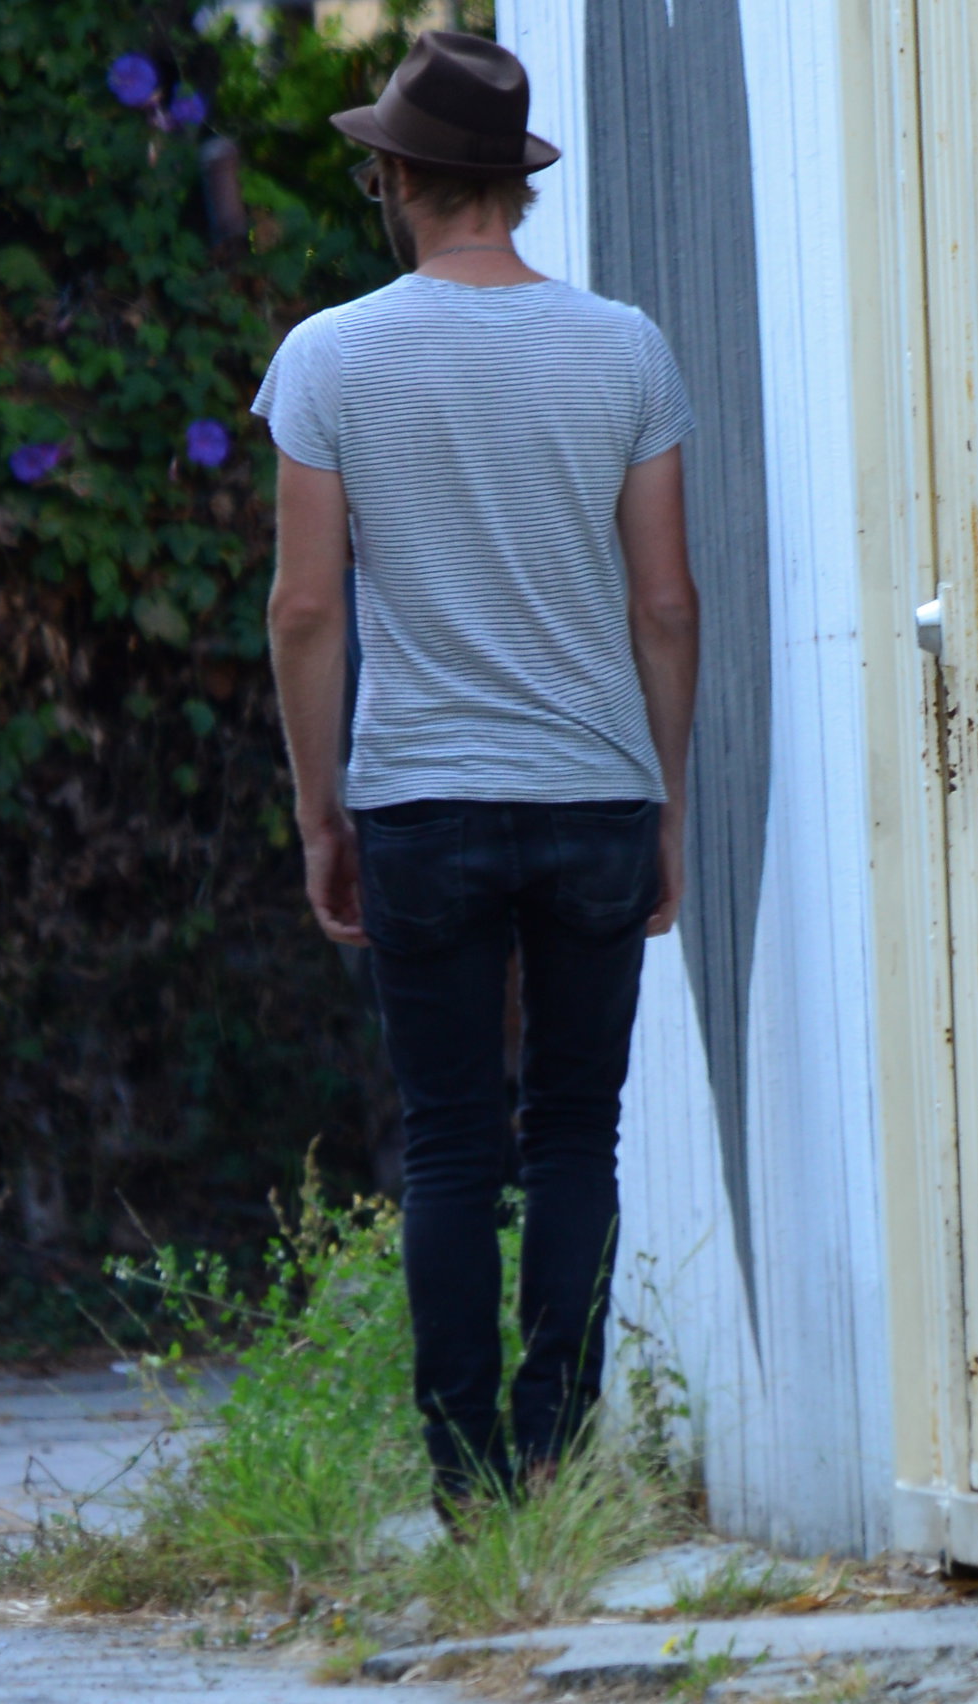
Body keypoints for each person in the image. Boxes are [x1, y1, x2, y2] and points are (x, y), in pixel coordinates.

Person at [253, 32, 700, 1508]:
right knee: (574, 1131)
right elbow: (663, 604)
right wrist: (665, 806)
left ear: (394, 177)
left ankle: (463, 1483)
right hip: (591, 789)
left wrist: (323, 809)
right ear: (512, 183)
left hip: (420, 798)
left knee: (447, 1142)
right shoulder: (623, 346)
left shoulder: (328, 354)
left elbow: (306, 608)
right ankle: (554, 1455)